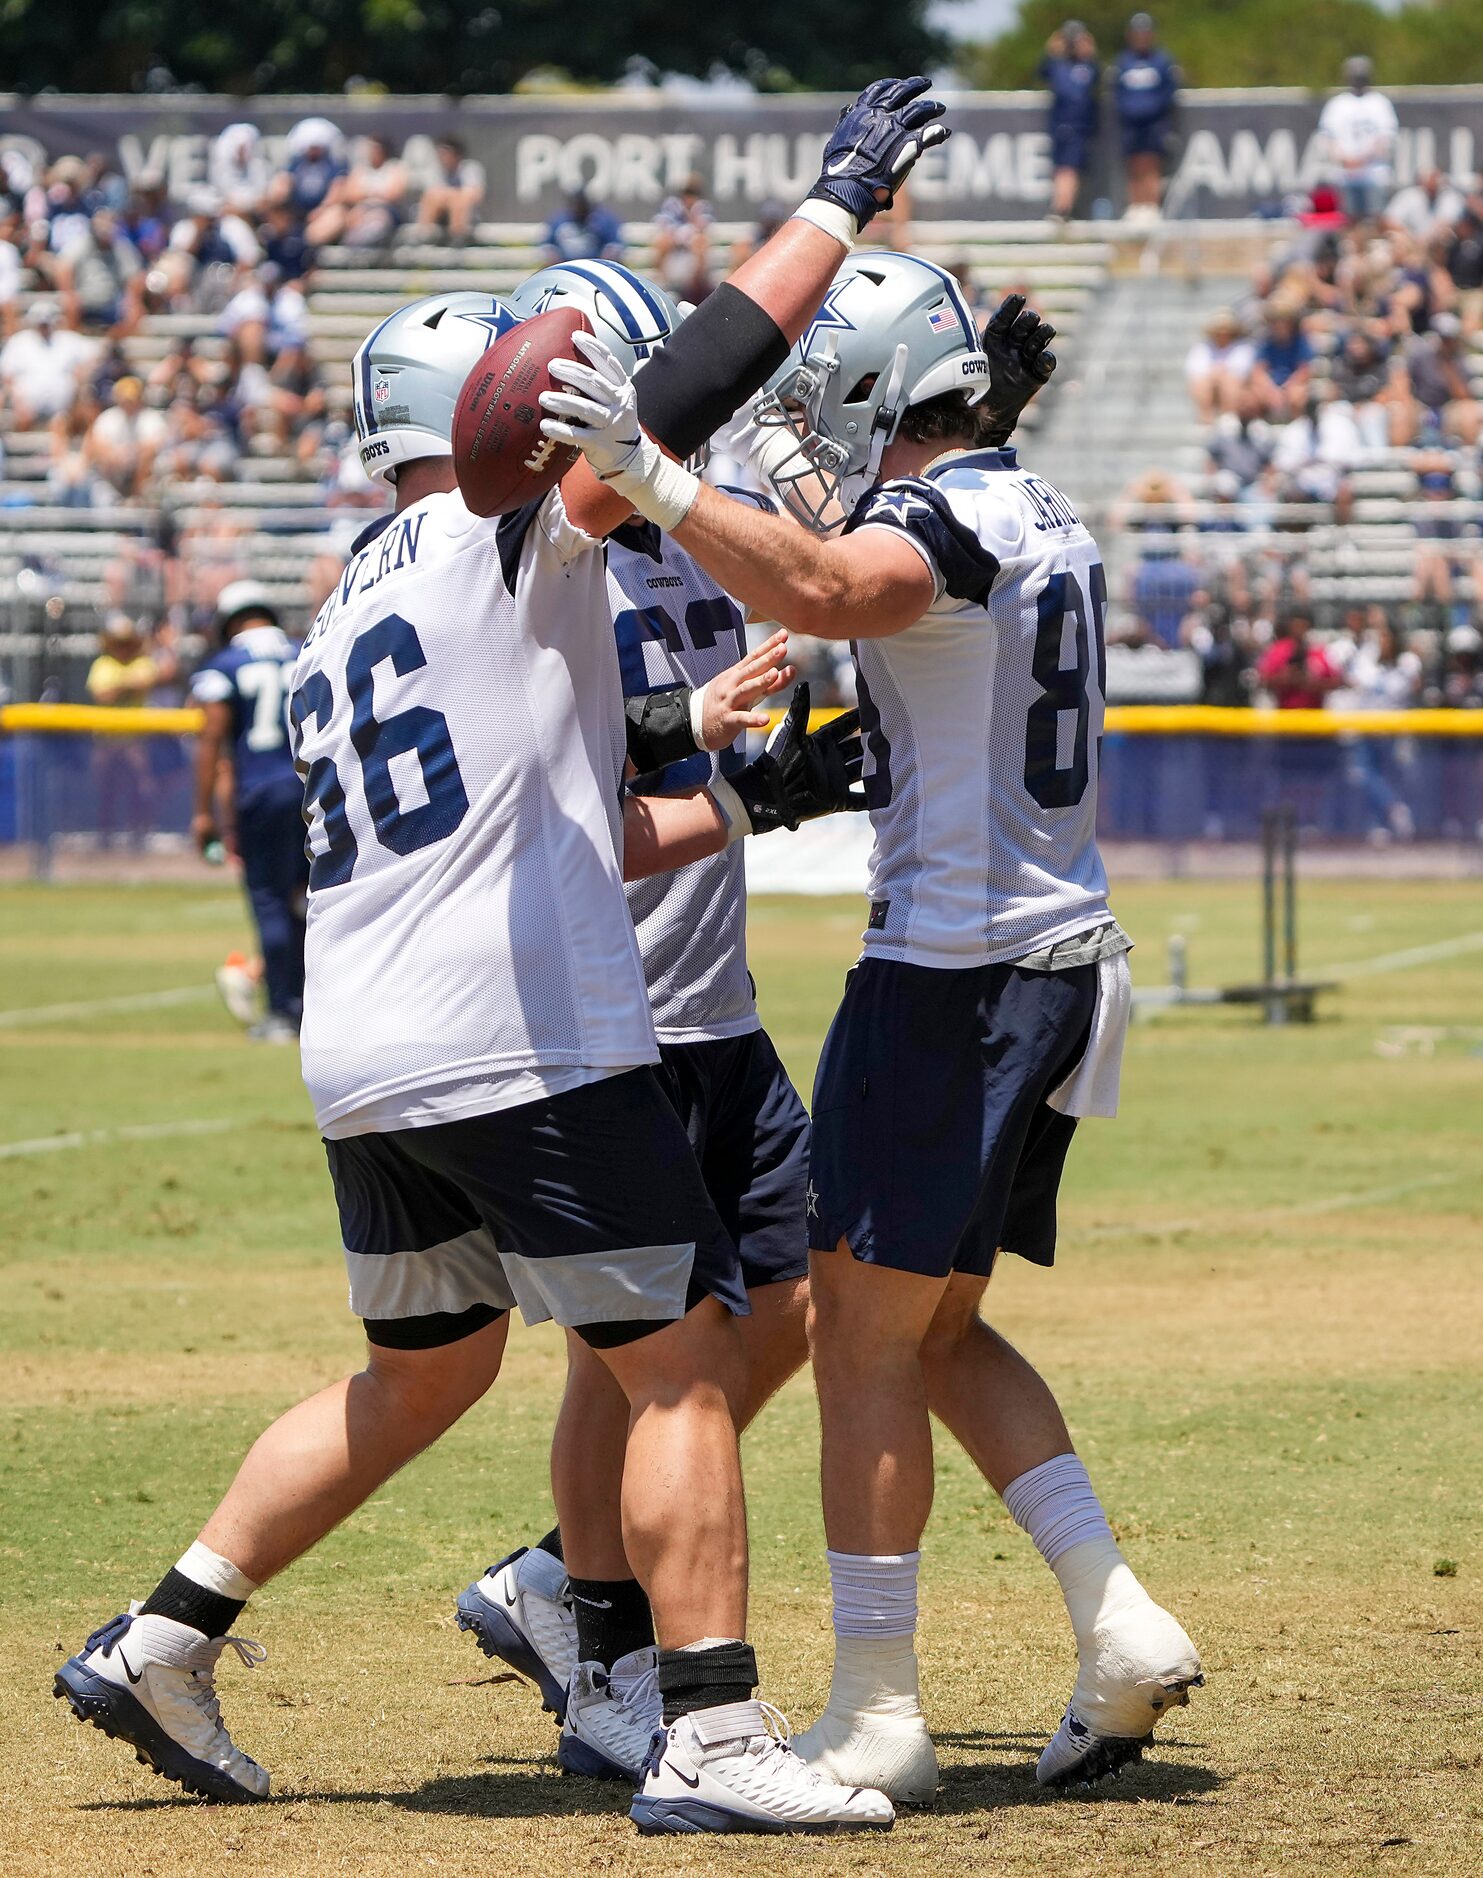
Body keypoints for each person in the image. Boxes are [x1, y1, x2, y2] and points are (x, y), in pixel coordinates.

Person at [54, 75, 953, 1838]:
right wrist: (840, 201)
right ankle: (705, 1727)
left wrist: (710, 743)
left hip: (364, 1051)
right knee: (686, 1358)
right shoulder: (505, 522)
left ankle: (167, 1628)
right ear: (494, 418)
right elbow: (688, 382)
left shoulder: (343, 606)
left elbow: (526, 772)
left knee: (425, 1366)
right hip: (515, 1041)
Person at [542, 255, 1202, 1802]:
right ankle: (1112, 1614)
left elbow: (837, 588)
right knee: (937, 1326)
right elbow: (868, 562)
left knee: (854, 1333)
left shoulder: (936, 523)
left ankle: (877, 1706)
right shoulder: (1025, 504)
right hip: (1047, 959)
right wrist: (768, 480)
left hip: (952, 978)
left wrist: (647, 474)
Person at [450, 261, 820, 1783]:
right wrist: (704, 748)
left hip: (713, 995)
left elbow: (807, 562)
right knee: (635, 1357)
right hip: (617, 1010)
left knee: (807, 1290)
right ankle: (603, 1627)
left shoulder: (669, 494)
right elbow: (561, 799)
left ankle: (552, 1569)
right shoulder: (536, 552)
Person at [189, 581, 311, 1042]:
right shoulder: (306, 650)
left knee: (269, 901)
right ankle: (313, 1005)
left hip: (260, 792)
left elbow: (211, 738)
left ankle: (282, 1011)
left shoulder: (226, 665)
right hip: (312, 788)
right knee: (308, 900)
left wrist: (204, 814)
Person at [1113, 12, 1179, 222]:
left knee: (1152, 163)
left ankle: (1151, 207)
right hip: (1130, 122)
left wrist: (1153, 108)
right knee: (1133, 163)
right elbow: (1116, 90)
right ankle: (1135, 207)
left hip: (1154, 122)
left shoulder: (1161, 60)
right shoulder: (1124, 61)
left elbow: (1170, 89)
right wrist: (1129, 109)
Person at [1317, 57, 1398, 225]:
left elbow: (1385, 138)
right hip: (1345, 175)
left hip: (1374, 174)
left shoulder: (1380, 103)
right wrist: (1346, 159)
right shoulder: (1338, 104)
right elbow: (1328, 138)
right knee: (1348, 221)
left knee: (1377, 219)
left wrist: (1361, 159)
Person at [1039, 20, 1099, 224]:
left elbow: (1098, 79)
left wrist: (1089, 52)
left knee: (1070, 168)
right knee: (1061, 167)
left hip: (1080, 125)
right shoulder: (1056, 64)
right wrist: (1052, 50)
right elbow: (1040, 71)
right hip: (1059, 124)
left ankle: (1062, 209)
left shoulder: (1088, 66)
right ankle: (1061, 207)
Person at [414, 137, 485, 244]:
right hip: (440, 216)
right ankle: (424, 236)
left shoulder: (470, 168)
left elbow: (475, 195)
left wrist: (450, 196)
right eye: (440, 153)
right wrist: (450, 196)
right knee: (432, 196)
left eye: (446, 153)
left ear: (457, 154)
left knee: (459, 200)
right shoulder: (436, 170)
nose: (442, 157)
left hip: (468, 217)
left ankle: (458, 236)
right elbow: (432, 194)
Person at [653, 173, 714, 299]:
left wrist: (691, 213)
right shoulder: (672, 205)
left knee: (700, 243)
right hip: (674, 249)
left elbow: (702, 228)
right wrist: (680, 235)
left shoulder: (702, 207)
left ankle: (694, 288)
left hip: (691, 250)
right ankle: (660, 284)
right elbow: (664, 225)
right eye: (687, 193)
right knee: (663, 241)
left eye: (693, 193)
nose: (689, 197)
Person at [542, 187, 623, 264]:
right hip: (565, 266)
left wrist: (603, 261)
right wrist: (554, 257)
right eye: (576, 204)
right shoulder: (559, 220)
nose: (579, 208)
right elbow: (549, 244)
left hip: (596, 266)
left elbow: (614, 244)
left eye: (582, 205)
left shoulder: (603, 220)